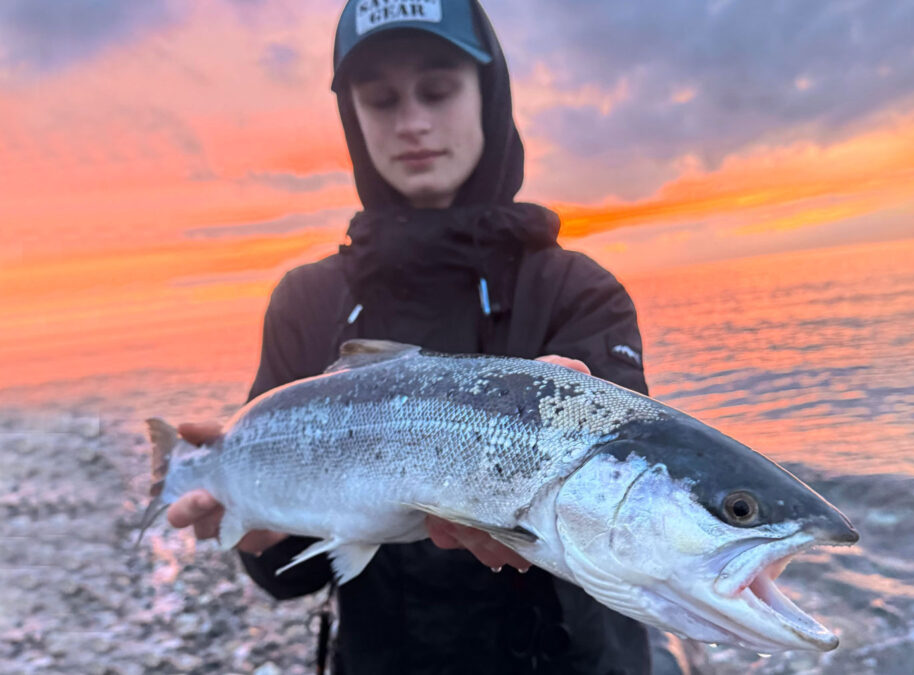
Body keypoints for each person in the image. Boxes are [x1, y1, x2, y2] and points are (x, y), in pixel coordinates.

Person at [167, 1, 669, 672]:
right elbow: (292, 576)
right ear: (353, 119)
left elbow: (629, 527)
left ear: (488, 94)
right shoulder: (308, 303)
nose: (412, 123)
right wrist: (253, 526)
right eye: (381, 100)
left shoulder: (579, 291)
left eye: (437, 90)